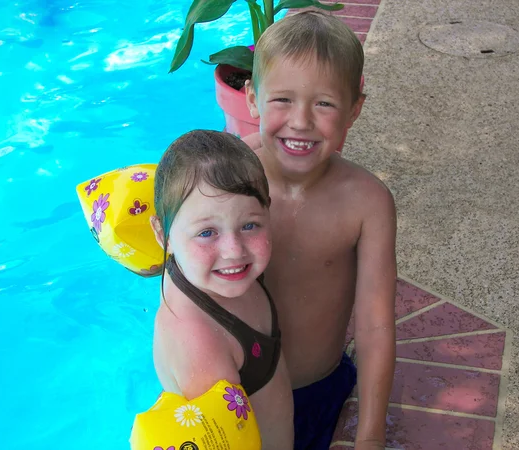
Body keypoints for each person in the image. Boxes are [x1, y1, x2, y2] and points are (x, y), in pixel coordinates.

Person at [242, 11, 397, 450]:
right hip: (232, 393)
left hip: (316, 390)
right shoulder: (226, 177)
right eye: (282, 100)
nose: (301, 121)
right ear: (253, 99)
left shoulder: (367, 202)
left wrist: (370, 434)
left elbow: (374, 326)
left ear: (354, 110)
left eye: (324, 103)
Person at [149, 130, 294, 449]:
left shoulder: (206, 269)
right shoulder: (198, 345)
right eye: (207, 232)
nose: (233, 250)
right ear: (164, 236)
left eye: (249, 225)